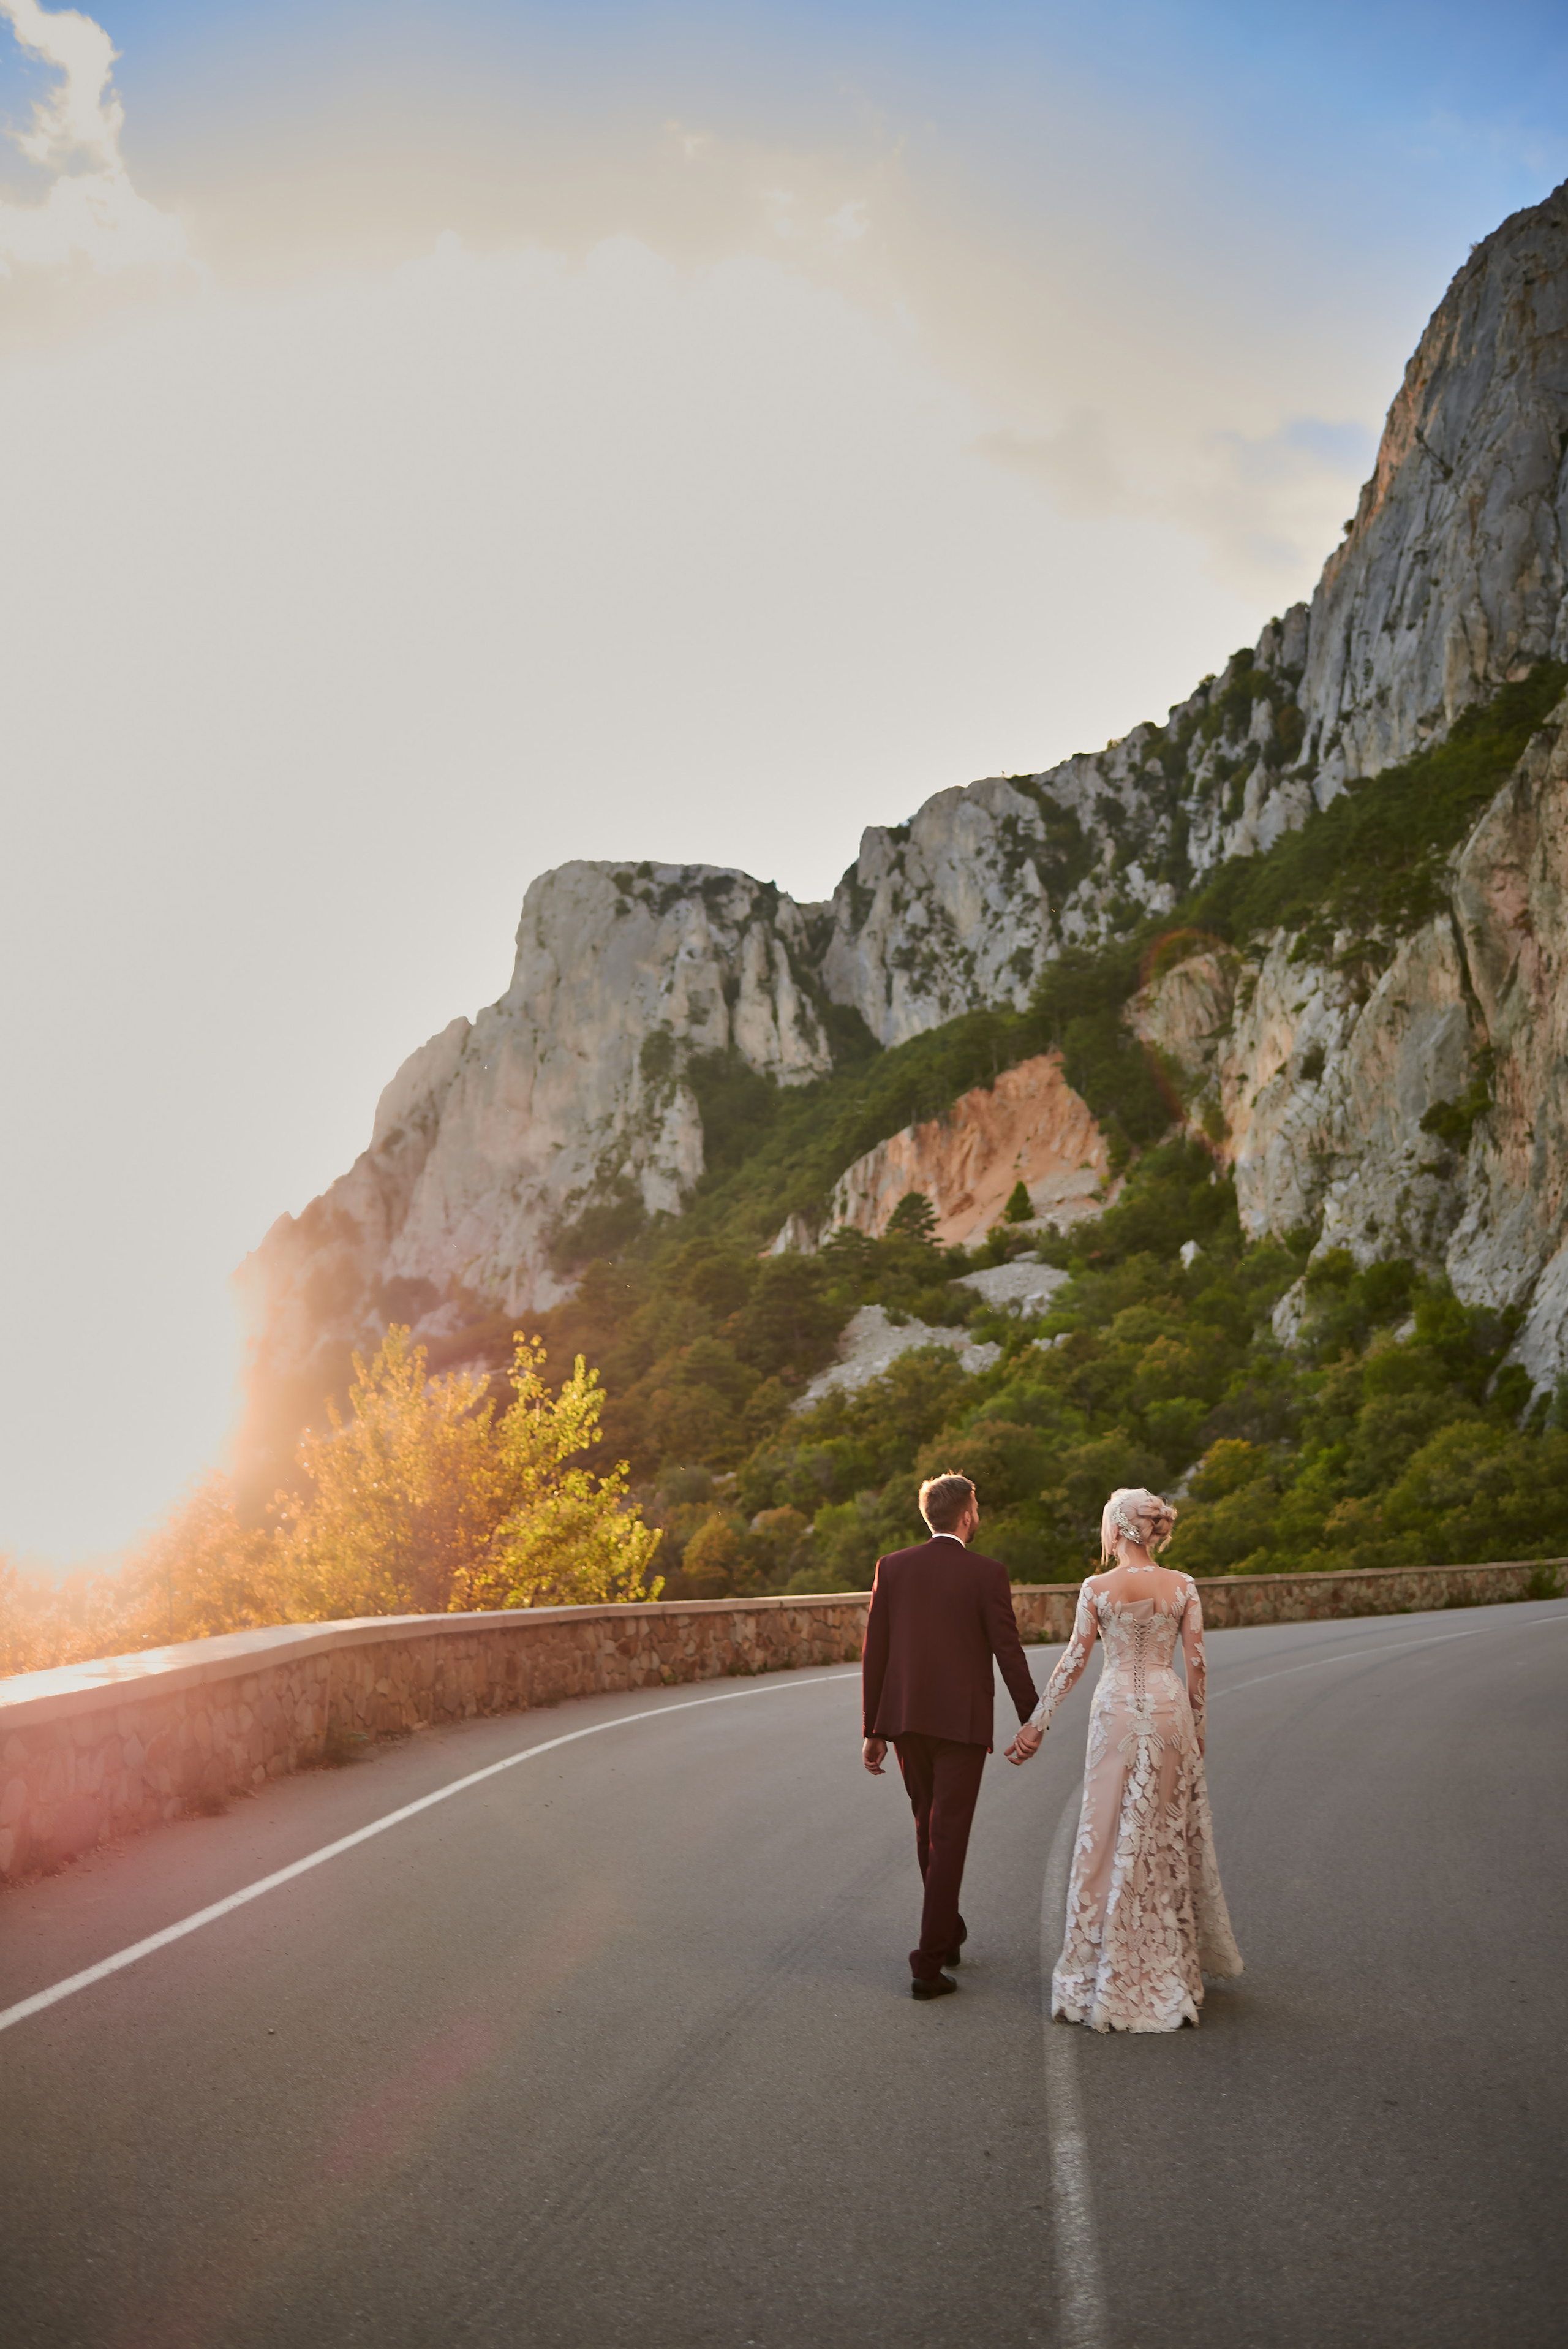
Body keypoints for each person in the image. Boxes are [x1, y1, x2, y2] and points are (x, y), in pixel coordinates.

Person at [1006, 1485, 1243, 2031]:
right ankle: (1169, 1962)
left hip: (1114, 1712)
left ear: (1117, 1527)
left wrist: (1037, 1725)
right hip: (1167, 1710)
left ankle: (1103, 1964)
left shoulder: (1096, 1588)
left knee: (1106, 1831)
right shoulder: (1183, 1585)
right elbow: (1198, 1663)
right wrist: (1198, 1724)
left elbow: (1073, 1660)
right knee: (1162, 1831)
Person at [861, 1472, 1041, 2000]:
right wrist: (1032, 1715)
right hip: (960, 1727)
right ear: (966, 1515)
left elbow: (877, 1652)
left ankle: (947, 1933)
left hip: (906, 1720)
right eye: (977, 1509)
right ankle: (928, 1962)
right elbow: (1007, 1649)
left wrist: (873, 1727)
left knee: (927, 1830)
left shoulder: (892, 1568)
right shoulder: (988, 1574)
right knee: (949, 1839)